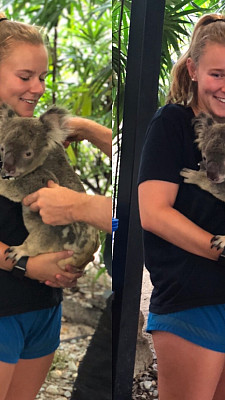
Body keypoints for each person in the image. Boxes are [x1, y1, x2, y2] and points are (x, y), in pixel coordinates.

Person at [0, 12, 110, 400]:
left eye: (43, 77)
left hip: (42, 304)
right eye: (25, 76)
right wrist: (26, 264)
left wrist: (67, 262)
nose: (37, 87)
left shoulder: (38, 131)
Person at [138, 13, 225, 400]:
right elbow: (154, 213)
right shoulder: (172, 123)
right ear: (192, 69)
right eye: (217, 74)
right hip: (192, 296)